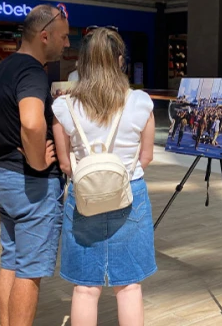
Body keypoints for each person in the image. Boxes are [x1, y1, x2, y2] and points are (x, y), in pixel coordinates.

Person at [51, 27, 157, 326]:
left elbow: (65, 163)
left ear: (82, 62)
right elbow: (146, 157)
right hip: (130, 195)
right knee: (130, 285)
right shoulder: (140, 102)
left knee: (85, 288)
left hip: (83, 197)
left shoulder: (64, 107)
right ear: (120, 61)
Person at [0, 3, 70, 326]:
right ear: (44, 36)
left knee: (10, 261)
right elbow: (33, 123)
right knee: (29, 272)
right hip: (31, 186)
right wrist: (36, 162)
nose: (66, 44)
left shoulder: (0, 72)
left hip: (4, 178)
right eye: (62, 37)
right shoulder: (32, 73)